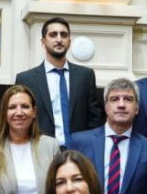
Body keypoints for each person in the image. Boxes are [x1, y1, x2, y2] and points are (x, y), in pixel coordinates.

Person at [15, 16, 101, 148]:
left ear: (69, 42)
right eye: (53, 35)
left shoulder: (85, 76)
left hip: (79, 152)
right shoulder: (26, 79)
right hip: (40, 151)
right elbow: (21, 121)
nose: (59, 39)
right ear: (43, 42)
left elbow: (94, 119)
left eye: (64, 35)